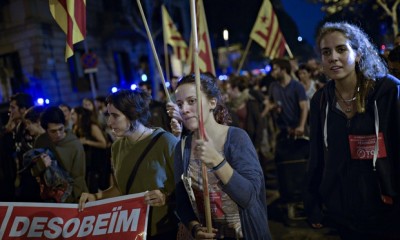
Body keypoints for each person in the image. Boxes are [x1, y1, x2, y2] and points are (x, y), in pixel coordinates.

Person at [305, 22, 400, 239]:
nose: (333, 58)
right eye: (326, 52)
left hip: (387, 209)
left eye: (341, 49)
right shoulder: (321, 101)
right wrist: (312, 200)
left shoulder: (389, 91)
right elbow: (317, 155)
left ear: (358, 54)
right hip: (342, 213)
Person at [172, 74, 271, 239]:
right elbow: (182, 202)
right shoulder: (181, 148)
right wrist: (195, 228)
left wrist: (217, 161)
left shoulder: (237, 138)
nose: (184, 109)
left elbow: (249, 197)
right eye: (180, 104)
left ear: (212, 102)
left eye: (192, 101)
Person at [78, 89, 179, 240]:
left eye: (115, 116)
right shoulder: (117, 147)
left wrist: (166, 197)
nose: (109, 122)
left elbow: (187, 187)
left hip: (164, 228)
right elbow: (121, 188)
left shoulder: (166, 141)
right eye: (108, 115)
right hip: (133, 229)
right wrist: (96, 196)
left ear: (133, 115)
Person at [34, 106, 88, 203]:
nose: (58, 134)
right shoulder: (41, 141)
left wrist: (68, 202)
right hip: (49, 198)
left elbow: (79, 178)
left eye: (61, 129)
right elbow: (33, 171)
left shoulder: (74, 145)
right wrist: (41, 165)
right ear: (46, 130)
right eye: (53, 131)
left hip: (73, 198)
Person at [71, 106, 108, 192]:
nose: (71, 116)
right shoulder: (75, 127)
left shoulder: (92, 126)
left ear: (80, 115)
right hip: (86, 163)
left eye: (73, 114)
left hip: (97, 163)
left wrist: (87, 142)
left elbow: (103, 144)